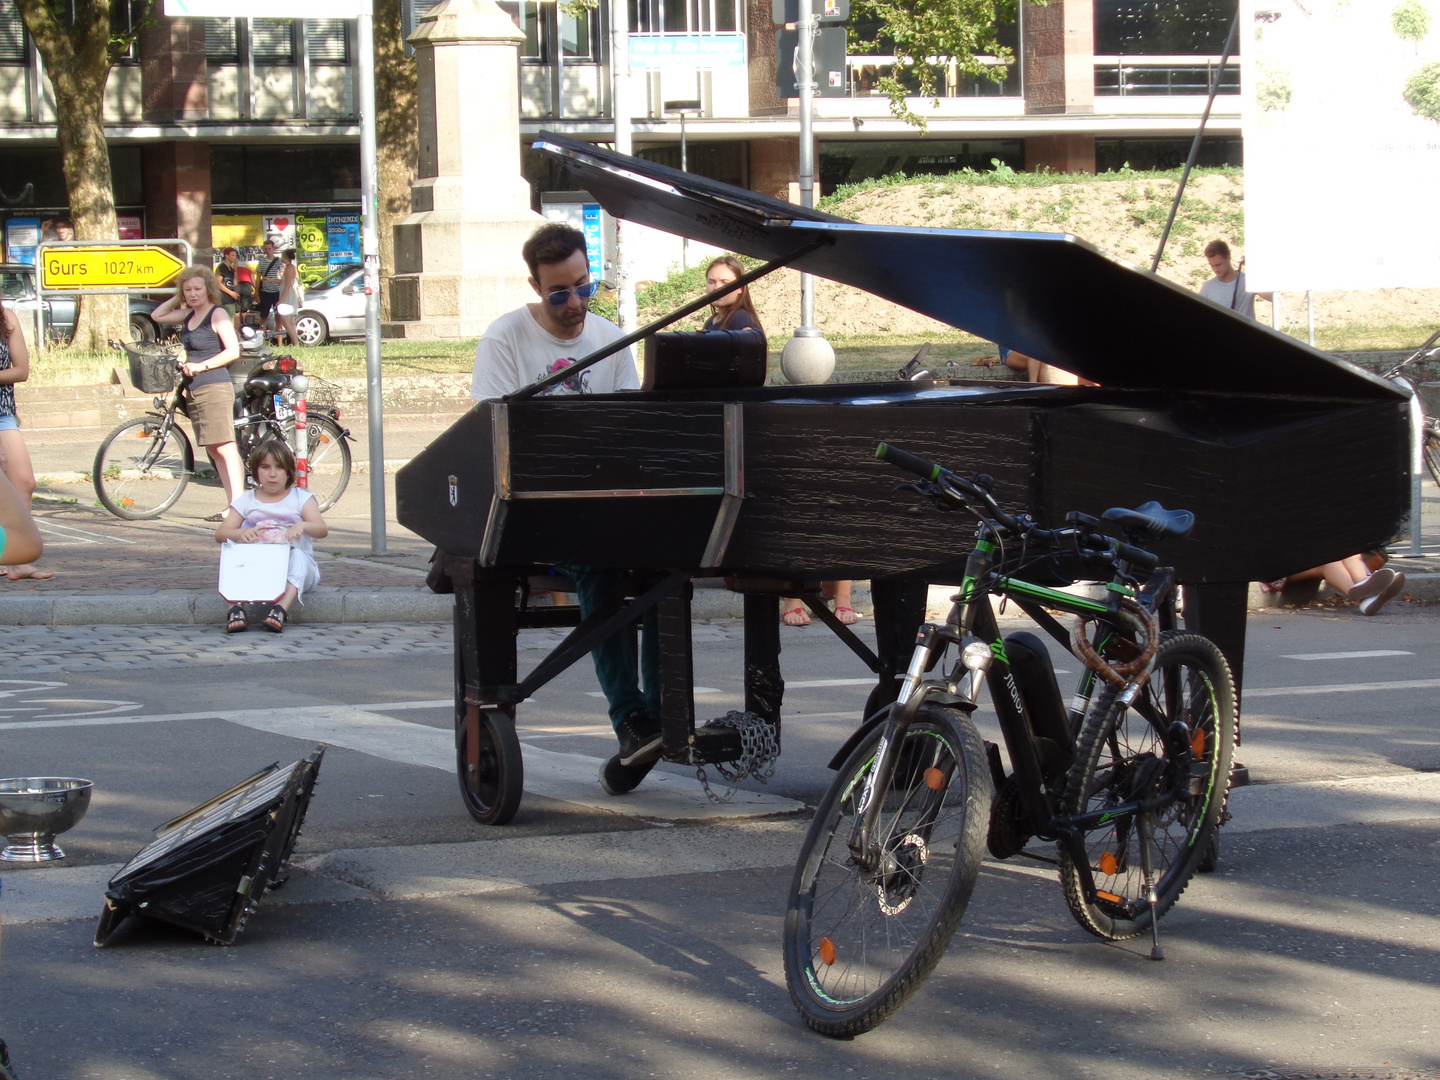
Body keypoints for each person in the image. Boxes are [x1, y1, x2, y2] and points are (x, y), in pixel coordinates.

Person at [470, 222, 655, 796]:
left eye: (584, 287)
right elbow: (492, 436)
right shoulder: (505, 339)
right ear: (535, 285)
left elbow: (632, 432)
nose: (575, 303)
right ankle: (633, 718)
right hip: (537, 508)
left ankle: (658, 714)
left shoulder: (611, 338)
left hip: (607, 500)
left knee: (669, 559)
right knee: (595, 562)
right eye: (559, 293)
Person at [151, 266, 245, 519]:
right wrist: (178, 295)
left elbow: (233, 351)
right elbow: (158, 315)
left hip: (214, 385)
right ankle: (233, 503)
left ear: (209, 290)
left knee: (225, 447)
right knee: (214, 450)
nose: (193, 294)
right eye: (188, 289)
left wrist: (202, 365)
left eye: (198, 289)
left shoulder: (217, 315)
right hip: (195, 388)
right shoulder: (189, 316)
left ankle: (239, 506)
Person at [215, 438, 327, 633]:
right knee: (233, 550)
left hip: (295, 571)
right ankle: (235, 608)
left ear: (288, 472)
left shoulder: (301, 497)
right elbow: (221, 533)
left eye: (279, 468)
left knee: (298, 556)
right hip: (261, 569)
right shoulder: (247, 500)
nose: (272, 474)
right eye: (265, 467)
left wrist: (303, 525)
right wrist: (241, 533)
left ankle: (280, 609)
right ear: (256, 471)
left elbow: (322, 529)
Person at [0, 297, 53, 581]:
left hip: (2, 411)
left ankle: (16, 561)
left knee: (24, 481)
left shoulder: (6, 319)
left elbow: (21, 370)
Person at [1276, 557, 1405, 616]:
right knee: (1330, 563)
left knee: (1349, 551)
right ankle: (1364, 598)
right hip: (1276, 570)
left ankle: (1365, 585)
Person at [1199, 240, 1271, 321]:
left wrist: (1254, 268)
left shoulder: (1247, 280)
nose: (1215, 269)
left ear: (1228, 258)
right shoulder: (1208, 287)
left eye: (1218, 265)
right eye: (1212, 266)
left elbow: (1273, 297)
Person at [701, 255, 763, 334]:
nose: (717, 287)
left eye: (725, 282)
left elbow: (751, 341)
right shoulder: (711, 321)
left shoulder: (741, 317)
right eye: (711, 282)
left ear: (740, 288)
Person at [254, 239, 285, 331]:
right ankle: (261, 337)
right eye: (266, 249)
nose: (268, 251)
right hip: (265, 292)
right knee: (263, 316)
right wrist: (256, 293)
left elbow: (282, 278)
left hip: (277, 292)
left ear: (273, 249)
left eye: (269, 248)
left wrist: (272, 280)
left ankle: (279, 342)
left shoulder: (279, 261)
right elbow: (258, 278)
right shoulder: (262, 262)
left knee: (278, 317)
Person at [278, 249, 302, 346]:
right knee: (291, 321)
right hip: (290, 294)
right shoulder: (292, 267)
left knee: (286, 320)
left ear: (285, 257)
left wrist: (281, 300)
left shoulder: (289, 268)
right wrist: (271, 280)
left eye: (282, 256)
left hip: (287, 295)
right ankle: (295, 342)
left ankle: (295, 342)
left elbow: (287, 285)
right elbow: (284, 282)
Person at [216, 247, 243, 323]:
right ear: (227, 256)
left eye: (235, 256)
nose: (235, 257)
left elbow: (235, 283)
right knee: (227, 321)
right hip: (224, 299)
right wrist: (230, 293)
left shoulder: (230, 268)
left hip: (231, 299)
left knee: (233, 320)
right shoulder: (222, 267)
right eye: (233, 255)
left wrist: (235, 270)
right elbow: (217, 283)